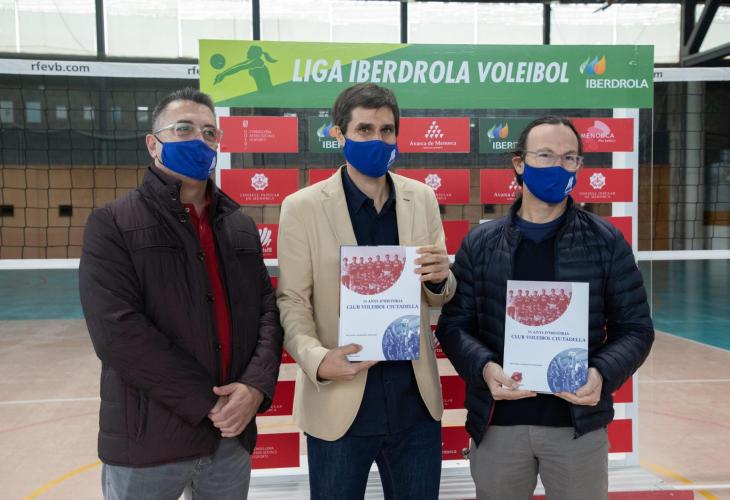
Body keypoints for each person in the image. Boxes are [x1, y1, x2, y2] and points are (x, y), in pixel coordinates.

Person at [79, 87, 283, 500]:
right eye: (184, 129)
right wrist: (208, 403)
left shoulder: (239, 225)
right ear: (153, 144)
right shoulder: (112, 223)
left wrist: (255, 387)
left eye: (209, 133)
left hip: (230, 440)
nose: (199, 140)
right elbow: (118, 334)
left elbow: (267, 311)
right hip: (148, 441)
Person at [436, 115, 654, 500]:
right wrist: (485, 369)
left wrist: (601, 374)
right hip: (498, 423)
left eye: (569, 158)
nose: (558, 166)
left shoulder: (605, 241)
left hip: (577, 427)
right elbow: (455, 326)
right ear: (519, 163)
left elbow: (636, 329)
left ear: (579, 166)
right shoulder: (481, 243)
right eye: (546, 155)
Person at [276, 83, 456, 500]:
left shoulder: (422, 198)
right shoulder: (302, 207)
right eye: (364, 129)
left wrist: (439, 278)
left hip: (414, 406)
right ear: (339, 135)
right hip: (339, 405)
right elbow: (292, 302)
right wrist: (318, 360)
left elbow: (440, 293)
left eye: (386, 130)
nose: (378, 139)